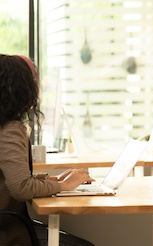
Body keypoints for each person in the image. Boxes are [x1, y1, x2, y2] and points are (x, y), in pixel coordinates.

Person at [0, 54, 95, 246]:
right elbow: (20, 188)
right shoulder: (10, 129)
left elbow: (11, 178)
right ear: (22, 89)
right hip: (8, 231)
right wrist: (65, 186)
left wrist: (53, 179)